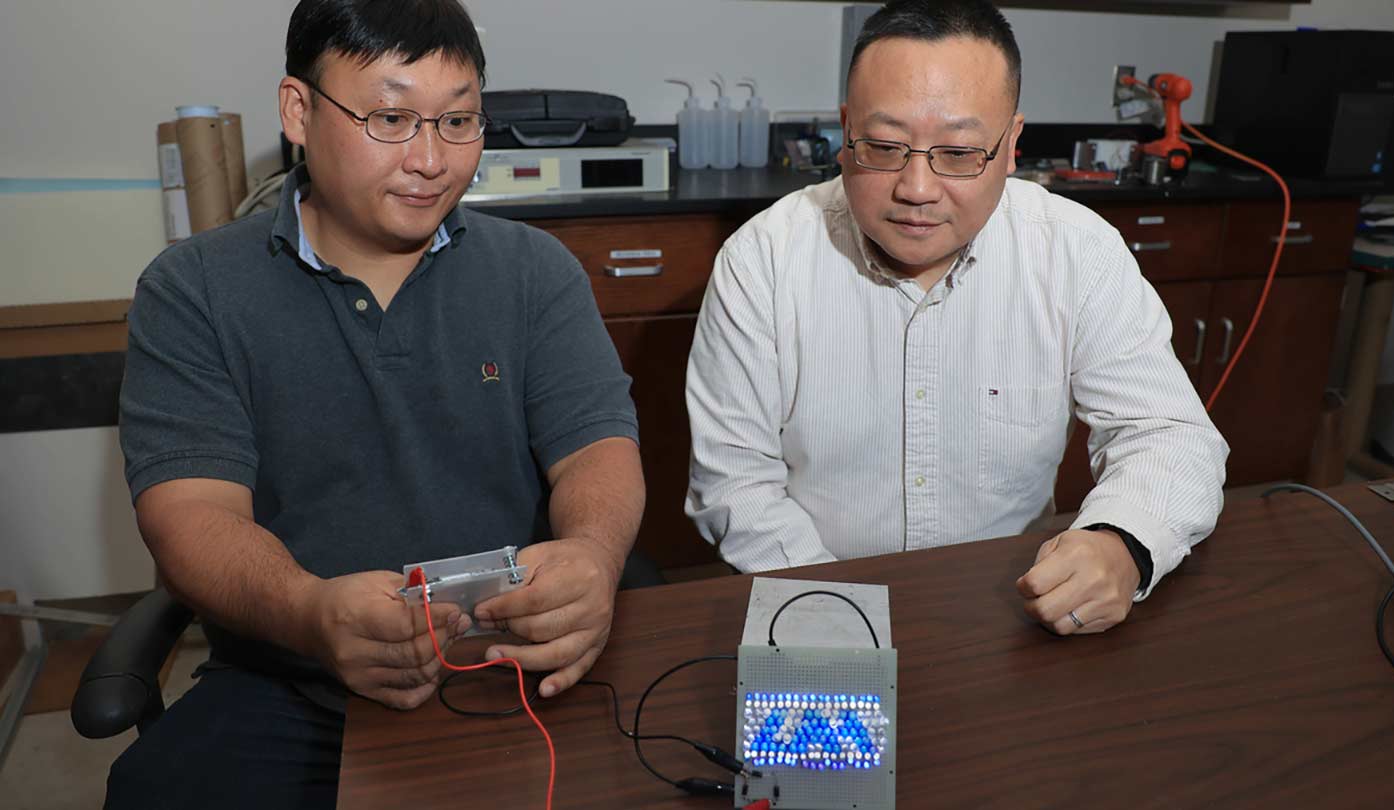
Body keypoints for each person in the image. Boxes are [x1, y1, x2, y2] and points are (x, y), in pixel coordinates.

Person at [108, 1, 643, 806]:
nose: (431, 159)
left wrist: (594, 559)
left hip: (513, 664)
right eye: (391, 118)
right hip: (293, 680)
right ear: (299, 111)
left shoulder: (535, 271)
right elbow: (190, 515)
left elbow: (598, 451)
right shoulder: (195, 291)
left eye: (458, 120)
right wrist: (310, 611)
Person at [686, 0, 1227, 637]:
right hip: (813, 599)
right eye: (884, 147)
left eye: (961, 151)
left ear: (1011, 147)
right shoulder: (763, 261)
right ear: (844, 134)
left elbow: (1167, 431)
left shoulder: (1075, 250)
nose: (917, 187)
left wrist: (1120, 542)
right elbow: (735, 482)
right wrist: (838, 619)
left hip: (1009, 611)